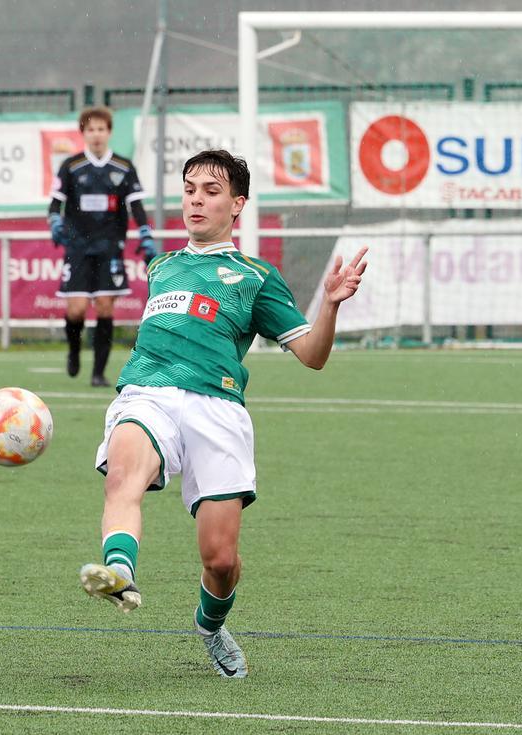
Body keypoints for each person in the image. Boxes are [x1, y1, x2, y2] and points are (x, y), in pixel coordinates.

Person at [77, 149, 367, 679]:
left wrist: (329, 304)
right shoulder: (162, 267)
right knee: (123, 474)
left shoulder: (256, 276)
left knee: (221, 559)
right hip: (148, 393)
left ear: (237, 204)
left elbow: (314, 356)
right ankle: (119, 570)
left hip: (218, 409)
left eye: (211, 191)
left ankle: (210, 626)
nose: (196, 199)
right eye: (189, 189)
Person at [48, 106, 158, 388]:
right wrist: (55, 224)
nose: (96, 134)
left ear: (109, 132)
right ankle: (74, 350)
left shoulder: (123, 167)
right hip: (78, 248)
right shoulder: (71, 167)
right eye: (90, 129)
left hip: (110, 248)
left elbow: (136, 206)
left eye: (101, 129)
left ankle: (99, 372)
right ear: (83, 133)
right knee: (76, 309)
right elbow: (55, 204)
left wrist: (145, 233)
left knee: (106, 307)